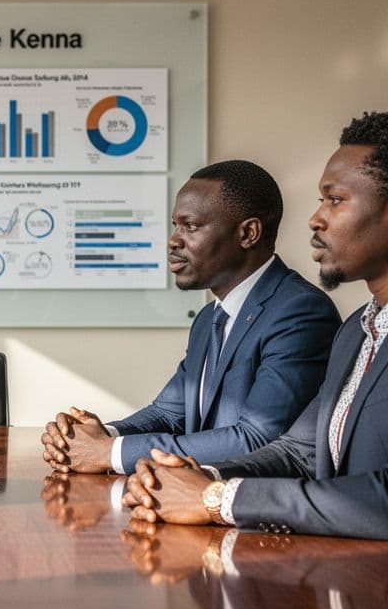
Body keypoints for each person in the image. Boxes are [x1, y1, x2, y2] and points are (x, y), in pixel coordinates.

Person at [125, 109, 388, 579]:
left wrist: (214, 500)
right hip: (374, 584)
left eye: (335, 200)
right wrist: (195, 479)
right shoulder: (359, 328)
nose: (315, 218)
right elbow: (298, 453)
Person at [42, 160, 340, 473]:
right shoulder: (209, 318)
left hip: (254, 514)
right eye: (175, 226)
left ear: (248, 233)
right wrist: (98, 437)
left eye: (191, 226)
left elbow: (256, 439)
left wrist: (109, 453)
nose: (174, 240)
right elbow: (169, 414)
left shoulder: (300, 312)